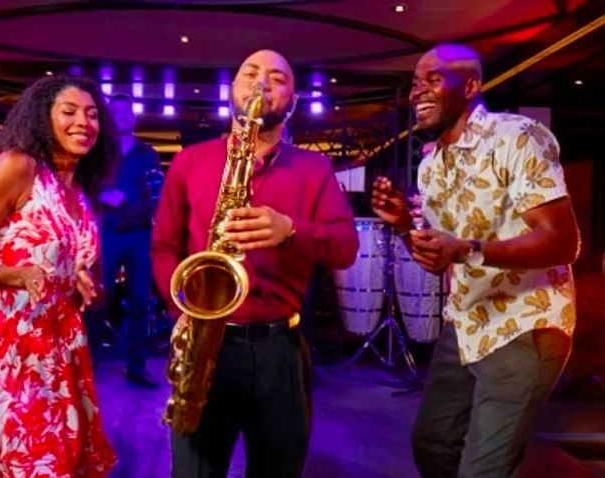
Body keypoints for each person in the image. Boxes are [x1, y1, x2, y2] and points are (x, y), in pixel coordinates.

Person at [372, 43, 579, 477]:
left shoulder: (517, 137)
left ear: (470, 85)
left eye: (433, 79)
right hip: (465, 323)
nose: (418, 91)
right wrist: (403, 227)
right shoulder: (431, 165)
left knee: (483, 471)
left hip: (523, 328)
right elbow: (436, 257)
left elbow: (563, 242)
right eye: (414, 83)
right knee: (430, 444)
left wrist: (468, 249)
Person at [152, 49, 359, 478]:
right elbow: (163, 247)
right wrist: (186, 312)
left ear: (294, 101)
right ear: (232, 90)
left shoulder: (315, 168)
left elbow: (345, 247)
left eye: (277, 78)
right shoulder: (191, 161)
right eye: (250, 73)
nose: (261, 83)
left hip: (279, 349)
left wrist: (292, 230)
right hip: (204, 339)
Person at [0, 75, 117, 476]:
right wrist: (15, 275)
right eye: (69, 112)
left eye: (92, 115)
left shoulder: (84, 193)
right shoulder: (18, 168)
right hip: (8, 346)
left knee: (65, 464)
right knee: (37, 466)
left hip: (62, 351)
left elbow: (96, 286)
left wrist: (87, 284)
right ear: (43, 118)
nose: (83, 123)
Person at [86, 93, 162, 388]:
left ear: (134, 117)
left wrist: (160, 226)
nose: (124, 116)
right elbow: (80, 185)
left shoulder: (147, 152)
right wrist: (102, 195)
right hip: (108, 232)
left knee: (141, 302)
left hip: (141, 235)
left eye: (128, 112)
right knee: (97, 299)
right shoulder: (98, 152)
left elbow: (158, 191)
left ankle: (137, 367)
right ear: (109, 117)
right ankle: (89, 363)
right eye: (117, 112)